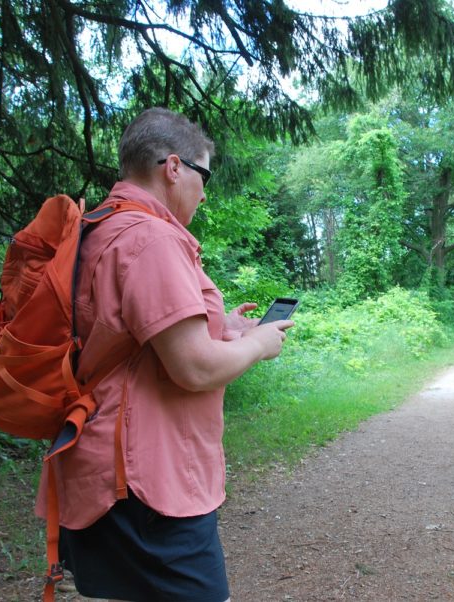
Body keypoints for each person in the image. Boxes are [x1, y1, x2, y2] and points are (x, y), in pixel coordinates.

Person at [35, 107, 293, 601]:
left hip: (101, 481)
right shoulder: (150, 237)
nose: (204, 190)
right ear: (174, 168)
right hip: (145, 488)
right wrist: (259, 345)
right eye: (204, 175)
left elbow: (130, 341)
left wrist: (224, 327)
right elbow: (193, 367)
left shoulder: (100, 227)